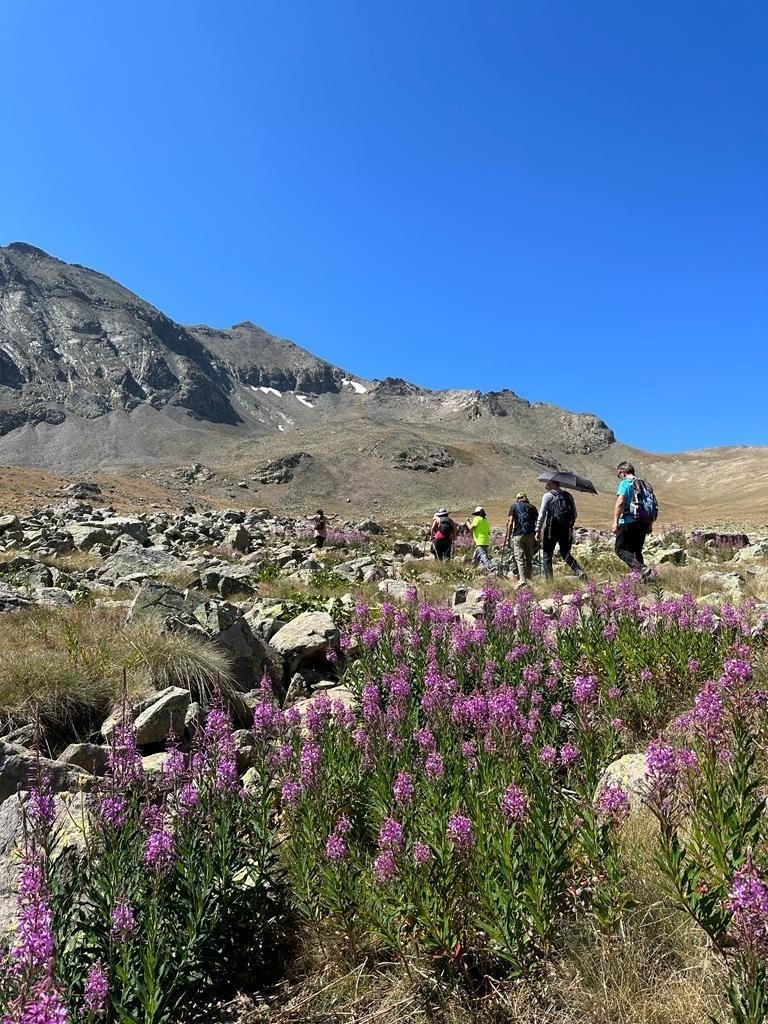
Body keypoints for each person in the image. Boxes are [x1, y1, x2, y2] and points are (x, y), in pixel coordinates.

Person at [536, 481, 587, 581]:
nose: (545, 487)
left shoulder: (548, 496)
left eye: (547, 485)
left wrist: (538, 530)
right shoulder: (569, 496)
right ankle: (579, 571)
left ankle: (550, 582)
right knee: (565, 553)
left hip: (552, 529)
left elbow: (542, 515)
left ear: (551, 484)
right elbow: (575, 515)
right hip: (566, 530)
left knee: (547, 555)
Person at [613, 461, 655, 576]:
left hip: (628, 521)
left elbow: (620, 502)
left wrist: (615, 522)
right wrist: (650, 524)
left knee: (620, 549)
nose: (619, 477)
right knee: (636, 551)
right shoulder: (644, 484)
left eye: (619, 474)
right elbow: (650, 505)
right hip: (644, 522)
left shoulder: (625, 483)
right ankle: (644, 579)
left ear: (623, 472)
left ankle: (641, 568)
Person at [504, 491, 538, 587]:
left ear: (518, 499)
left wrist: (508, 535)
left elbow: (510, 522)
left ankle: (522, 579)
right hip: (531, 535)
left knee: (519, 558)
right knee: (529, 558)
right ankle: (528, 578)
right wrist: (539, 536)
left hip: (518, 535)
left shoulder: (514, 507)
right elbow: (538, 522)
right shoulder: (532, 507)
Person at [465, 506, 494, 572]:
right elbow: (488, 532)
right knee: (476, 556)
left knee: (484, 557)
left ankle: (491, 569)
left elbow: (471, 528)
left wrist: (467, 522)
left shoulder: (477, 518)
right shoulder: (485, 520)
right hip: (486, 541)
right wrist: (471, 521)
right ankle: (473, 569)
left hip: (480, 541)